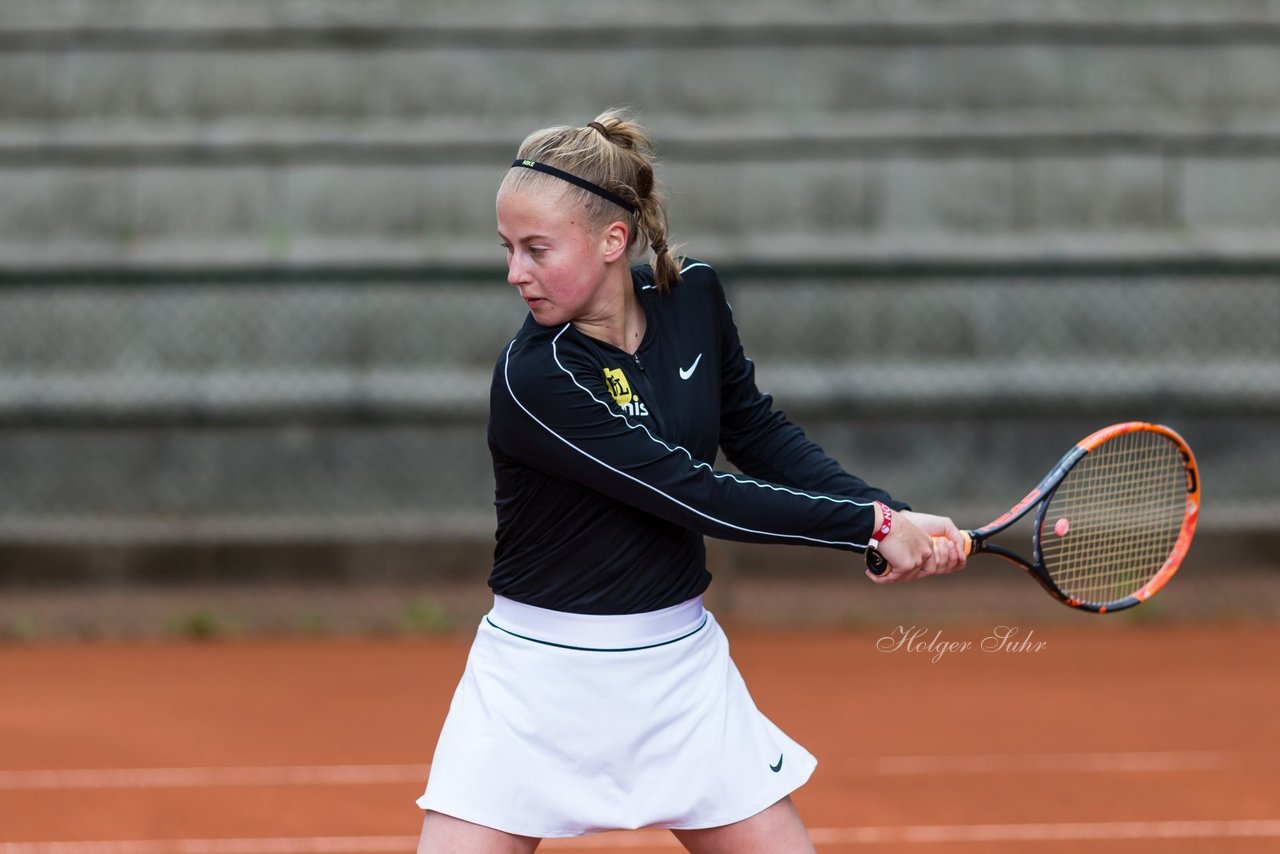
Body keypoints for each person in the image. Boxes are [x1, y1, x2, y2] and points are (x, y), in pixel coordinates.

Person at [416, 108, 967, 853]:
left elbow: (758, 433)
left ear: (614, 240)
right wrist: (870, 529)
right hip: (535, 682)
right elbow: (693, 492)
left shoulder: (694, 298)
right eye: (509, 249)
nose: (516, 272)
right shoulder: (535, 377)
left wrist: (889, 513)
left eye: (537, 249)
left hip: (680, 673)